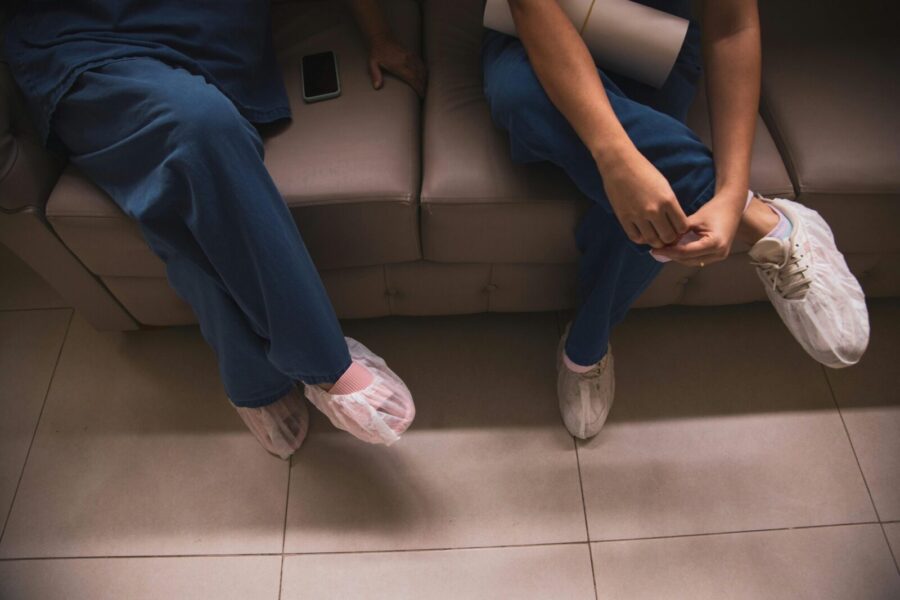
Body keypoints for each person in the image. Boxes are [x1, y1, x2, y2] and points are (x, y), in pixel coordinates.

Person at [3, 0, 427, 458]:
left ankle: (252, 380)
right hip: (85, 45)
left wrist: (380, 36)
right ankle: (324, 364)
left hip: (213, 38)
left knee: (177, 198)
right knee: (200, 129)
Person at [482, 0, 869, 439]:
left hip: (652, 41)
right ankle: (762, 221)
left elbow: (732, 25)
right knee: (520, 98)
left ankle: (584, 349)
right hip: (532, 28)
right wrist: (617, 159)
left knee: (653, 192)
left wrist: (727, 191)